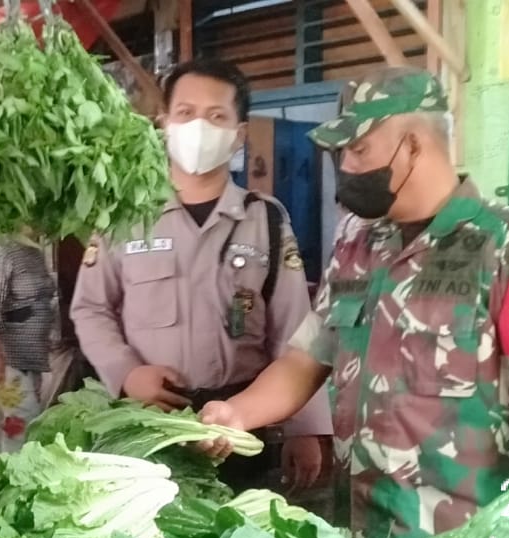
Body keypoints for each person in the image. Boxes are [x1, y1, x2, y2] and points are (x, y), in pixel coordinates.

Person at [199, 67, 509, 538]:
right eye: (343, 153)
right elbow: (305, 359)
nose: (346, 167)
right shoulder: (355, 246)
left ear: (413, 147)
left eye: (359, 150)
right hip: (356, 534)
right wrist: (236, 414)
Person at [70, 58, 331, 493]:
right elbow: (91, 308)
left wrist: (306, 426)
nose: (199, 127)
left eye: (216, 117)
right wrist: (126, 372)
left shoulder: (263, 219)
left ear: (239, 135)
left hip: (241, 428)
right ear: (164, 124)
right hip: (148, 423)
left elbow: (297, 328)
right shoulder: (125, 215)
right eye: (186, 113)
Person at [0, 236, 57, 452]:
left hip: (30, 354)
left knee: (23, 418)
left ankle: (15, 464)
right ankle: (14, 469)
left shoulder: (33, 251)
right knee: (23, 418)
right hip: (3, 355)